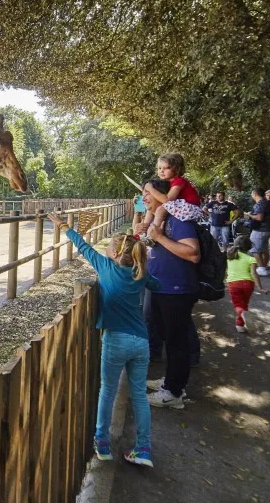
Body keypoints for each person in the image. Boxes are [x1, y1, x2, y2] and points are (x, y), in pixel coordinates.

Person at [49, 211, 157, 467]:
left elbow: (83, 246)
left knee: (107, 391)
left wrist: (64, 225)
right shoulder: (140, 273)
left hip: (116, 340)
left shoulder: (105, 266)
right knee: (139, 395)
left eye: (110, 246)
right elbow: (158, 285)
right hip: (141, 342)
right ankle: (143, 450)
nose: (106, 248)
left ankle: (102, 442)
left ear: (116, 254)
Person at [141, 180, 201, 410]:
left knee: (177, 342)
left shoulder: (178, 220)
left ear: (162, 195)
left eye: (148, 194)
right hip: (161, 287)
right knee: (169, 338)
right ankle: (170, 382)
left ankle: (174, 393)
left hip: (175, 290)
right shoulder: (161, 219)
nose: (144, 198)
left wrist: (160, 238)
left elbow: (193, 253)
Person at [136, 153, 204, 236]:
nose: (161, 171)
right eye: (159, 168)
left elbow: (167, 200)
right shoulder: (168, 183)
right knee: (152, 208)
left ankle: (153, 232)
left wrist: (151, 189)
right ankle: (145, 227)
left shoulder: (179, 181)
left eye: (166, 168)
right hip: (181, 205)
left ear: (176, 169)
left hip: (190, 208)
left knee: (160, 209)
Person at [225, 235, 269, 333]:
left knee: (239, 305)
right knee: (244, 304)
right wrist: (260, 288)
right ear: (249, 246)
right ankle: (240, 325)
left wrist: (223, 281)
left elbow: (225, 271)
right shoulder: (251, 259)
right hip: (248, 284)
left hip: (233, 284)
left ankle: (242, 315)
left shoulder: (230, 257)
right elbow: (254, 273)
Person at [243, 188, 270, 276]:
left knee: (254, 249)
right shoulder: (267, 203)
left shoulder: (259, 204)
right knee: (264, 249)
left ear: (255, 194)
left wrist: (249, 215)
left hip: (260, 230)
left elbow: (259, 218)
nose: (251, 196)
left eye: (252, 194)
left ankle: (262, 268)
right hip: (268, 228)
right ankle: (263, 266)